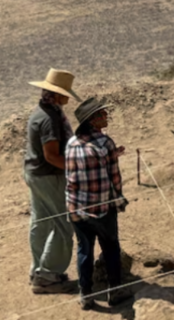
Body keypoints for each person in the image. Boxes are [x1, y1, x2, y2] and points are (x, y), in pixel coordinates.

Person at [66, 97, 131, 310]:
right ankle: (115, 291)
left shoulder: (71, 143)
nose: (106, 117)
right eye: (102, 114)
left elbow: (76, 172)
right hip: (102, 208)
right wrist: (119, 200)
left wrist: (112, 154)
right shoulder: (105, 143)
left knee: (84, 249)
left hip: (76, 207)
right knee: (111, 247)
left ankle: (86, 294)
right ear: (93, 120)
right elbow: (115, 178)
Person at [24, 69, 80, 294]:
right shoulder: (50, 119)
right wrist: (78, 167)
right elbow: (52, 156)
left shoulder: (41, 111)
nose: (68, 97)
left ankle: (37, 269)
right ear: (57, 95)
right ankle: (47, 275)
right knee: (64, 224)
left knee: (41, 221)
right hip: (49, 176)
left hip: (35, 173)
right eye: (65, 93)